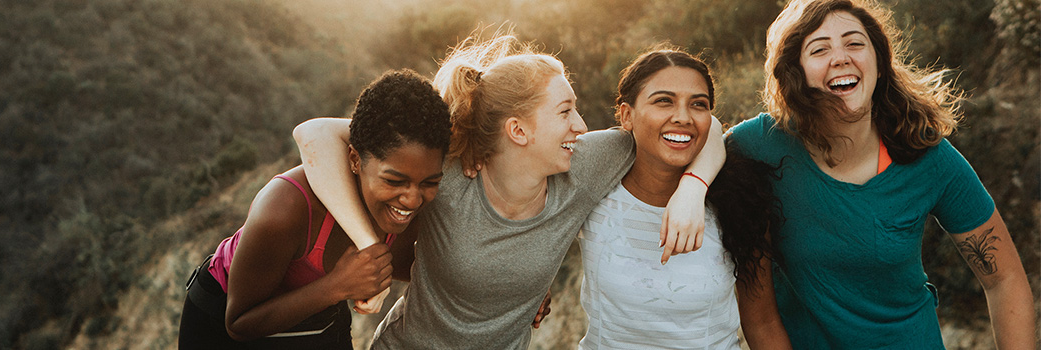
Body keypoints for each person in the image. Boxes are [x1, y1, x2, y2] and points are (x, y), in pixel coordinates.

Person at [293, 34, 724, 349]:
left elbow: (706, 126)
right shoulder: (448, 170)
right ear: (517, 130)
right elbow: (314, 134)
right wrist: (371, 251)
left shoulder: (586, 163)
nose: (582, 126)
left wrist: (692, 188)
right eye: (565, 111)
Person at [729, 0, 1037, 348]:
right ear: (795, 70)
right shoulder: (762, 144)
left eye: (855, 43)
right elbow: (700, 137)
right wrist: (692, 188)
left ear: (878, 63)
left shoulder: (926, 155)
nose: (841, 57)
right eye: (819, 49)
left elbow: (1004, 278)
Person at [178, 69, 452, 349]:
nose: (412, 199)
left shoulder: (406, 214)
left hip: (317, 314)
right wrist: (338, 286)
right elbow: (239, 323)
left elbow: (430, 272)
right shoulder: (285, 209)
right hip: (225, 319)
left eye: (430, 182)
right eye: (395, 181)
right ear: (355, 159)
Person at [577, 48, 790, 349]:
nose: (682, 117)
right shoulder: (594, 190)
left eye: (698, 105)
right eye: (664, 101)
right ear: (627, 116)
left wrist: (693, 188)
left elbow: (763, 323)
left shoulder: (740, 203)